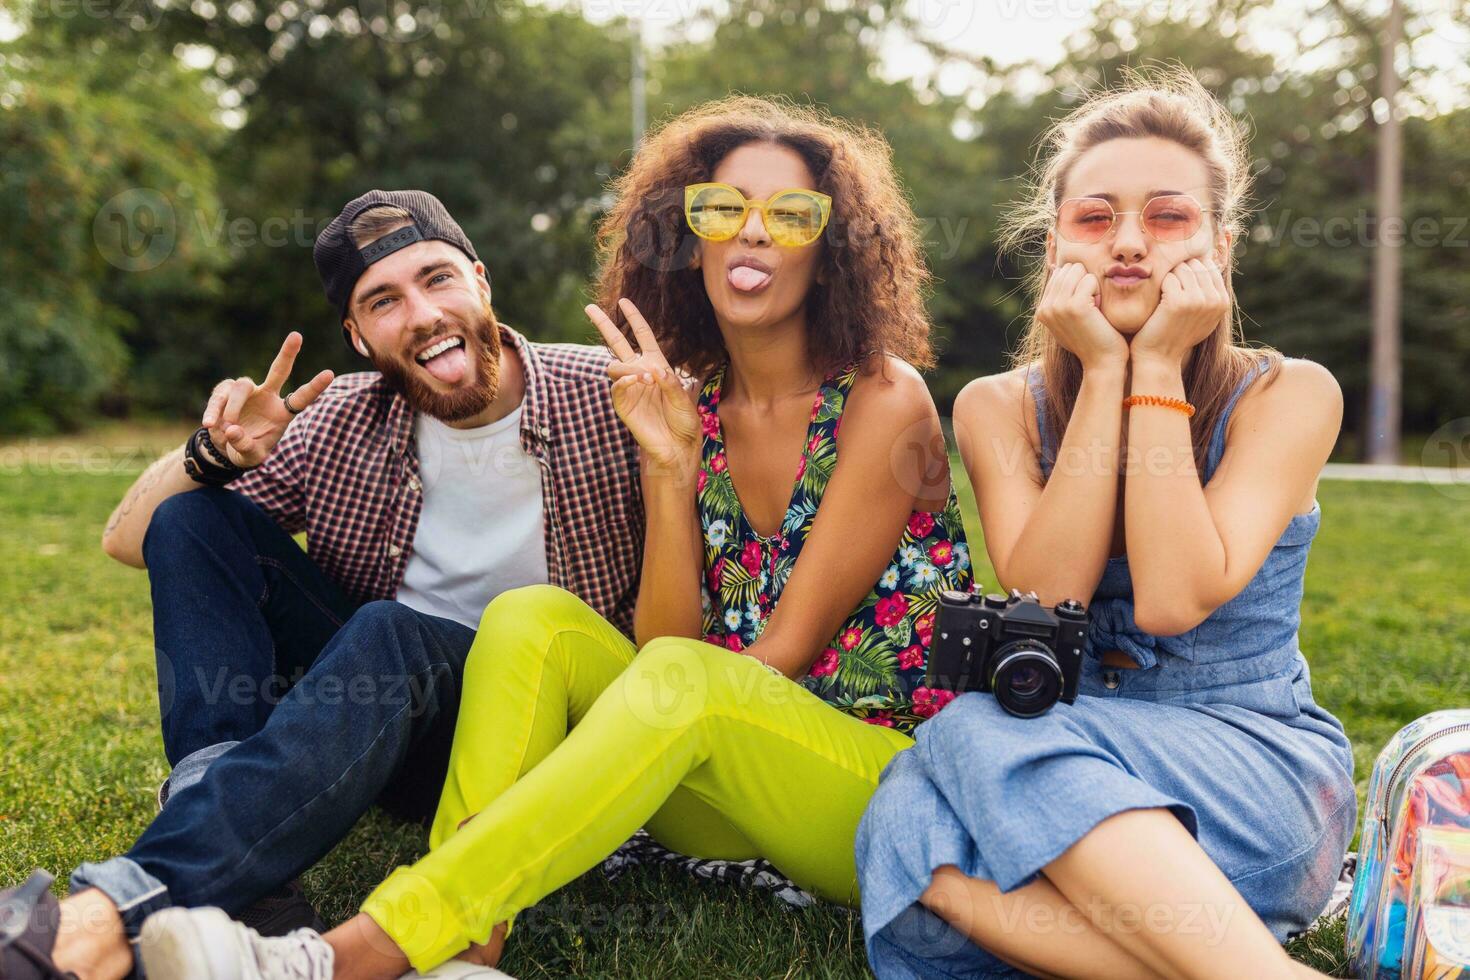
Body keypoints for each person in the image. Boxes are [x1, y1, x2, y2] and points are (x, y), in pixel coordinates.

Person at [130, 95, 972, 980]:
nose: (753, 233)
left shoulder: (886, 399)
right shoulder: (690, 406)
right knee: (532, 615)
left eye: (791, 214)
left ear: (830, 246)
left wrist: (600, 740)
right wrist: (670, 468)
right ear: (688, 237)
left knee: (685, 683)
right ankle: (470, 951)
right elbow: (664, 648)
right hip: (725, 781)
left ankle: (353, 954)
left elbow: (778, 656)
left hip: (875, 794)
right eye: (723, 209)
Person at [0, 190, 642, 980]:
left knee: (389, 629)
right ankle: (249, 872)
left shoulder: (610, 396)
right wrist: (214, 457)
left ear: (480, 280)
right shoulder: (337, 417)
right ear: (359, 336)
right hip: (386, 727)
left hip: (545, 733)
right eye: (384, 301)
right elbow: (126, 540)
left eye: (437, 279)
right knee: (192, 520)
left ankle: (125, 904)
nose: (421, 314)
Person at [854, 71, 1355, 980]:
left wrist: (1156, 359)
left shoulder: (1289, 393)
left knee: (968, 738)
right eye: (1095, 219)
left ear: (1220, 248)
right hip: (1067, 764)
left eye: (1168, 219)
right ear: (1055, 251)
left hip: (1251, 766)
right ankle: (1214, 955)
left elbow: (1170, 598)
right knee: (902, 828)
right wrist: (1102, 376)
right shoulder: (996, 407)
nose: (1129, 243)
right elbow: (1051, 593)